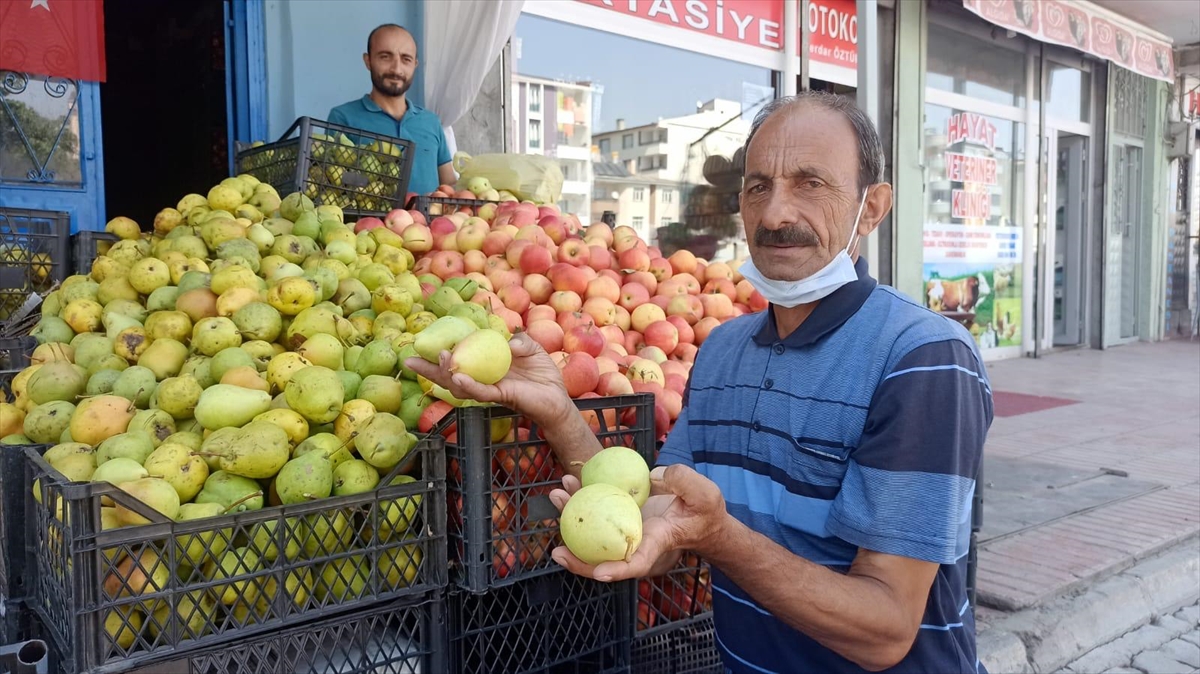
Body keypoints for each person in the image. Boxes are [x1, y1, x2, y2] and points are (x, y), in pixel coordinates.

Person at [407, 91, 992, 674]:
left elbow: (884, 630)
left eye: (811, 184)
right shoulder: (723, 351)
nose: (775, 214)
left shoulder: (923, 357)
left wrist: (720, 538)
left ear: (871, 207)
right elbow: (663, 520)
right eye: (758, 186)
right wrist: (557, 409)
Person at [327, 24, 455, 196]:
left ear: (415, 64)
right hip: (369, 214)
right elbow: (335, 177)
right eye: (385, 57)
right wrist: (379, 184)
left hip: (429, 214)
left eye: (406, 59)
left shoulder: (430, 121)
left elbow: (448, 183)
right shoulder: (343, 117)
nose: (396, 69)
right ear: (368, 61)